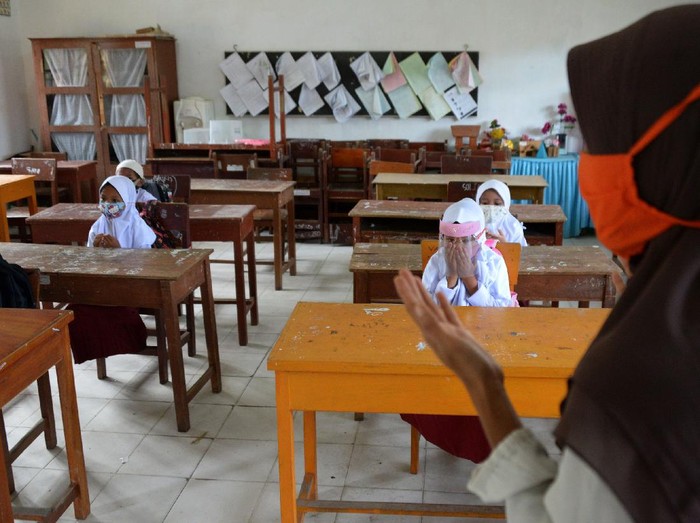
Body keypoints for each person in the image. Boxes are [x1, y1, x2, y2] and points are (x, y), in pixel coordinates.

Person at [394, 5, 700, 522]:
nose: (587, 167)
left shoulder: (646, 378)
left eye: (604, 144)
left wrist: (485, 385)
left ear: (669, 161)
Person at [67, 175, 157, 364]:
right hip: (104, 285)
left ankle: (132, 340)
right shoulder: (98, 226)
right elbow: (90, 262)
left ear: (128, 200)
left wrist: (120, 252)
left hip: (132, 286)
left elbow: (146, 263)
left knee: (117, 310)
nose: (108, 204)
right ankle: (93, 350)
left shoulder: (137, 226)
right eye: (103, 199)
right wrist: (96, 252)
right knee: (76, 311)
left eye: (115, 200)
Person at [422, 197, 512, 307]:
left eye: (465, 240)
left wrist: (469, 279)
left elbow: (503, 310)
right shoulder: (437, 261)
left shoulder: (493, 262)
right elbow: (426, 306)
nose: (457, 247)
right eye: (450, 240)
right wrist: (451, 276)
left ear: (480, 239)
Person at [476, 179, 527, 247]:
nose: (491, 207)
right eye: (485, 203)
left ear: (506, 205)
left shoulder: (513, 227)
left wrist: (504, 245)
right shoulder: (472, 224)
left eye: (497, 204)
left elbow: (520, 253)